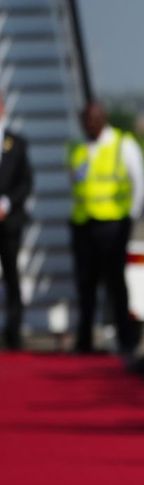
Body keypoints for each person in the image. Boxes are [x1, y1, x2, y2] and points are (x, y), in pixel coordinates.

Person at [69, 102, 144, 355]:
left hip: (113, 224)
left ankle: (125, 338)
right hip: (83, 223)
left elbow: (139, 184)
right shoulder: (78, 147)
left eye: (93, 119)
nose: (89, 125)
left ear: (104, 118)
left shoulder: (122, 144)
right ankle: (84, 339)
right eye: (85, 120)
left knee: (115, 283)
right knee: (85, 283)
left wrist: (130, 218)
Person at [0, 92, 33, 350]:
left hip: (9, 222)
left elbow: (26, 182)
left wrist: (6, 203)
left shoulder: (17, 143)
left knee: (12, 274)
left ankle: (14, 332)